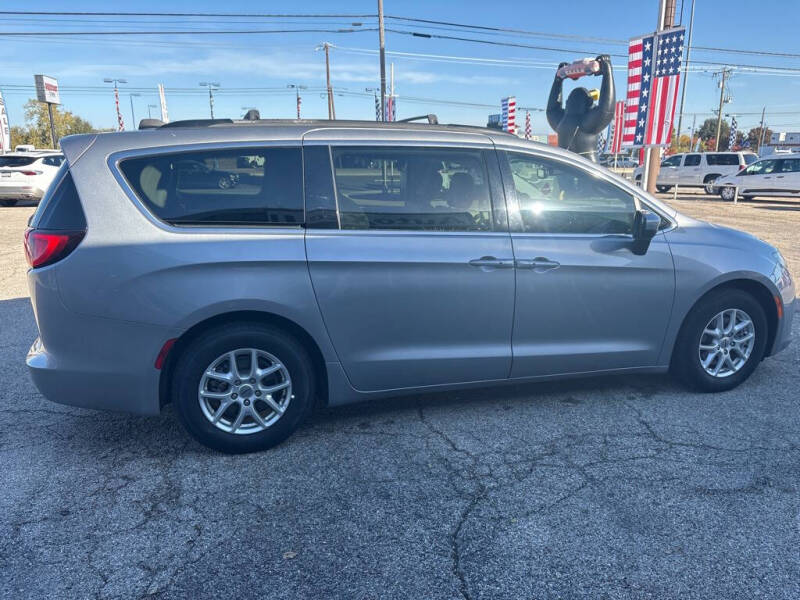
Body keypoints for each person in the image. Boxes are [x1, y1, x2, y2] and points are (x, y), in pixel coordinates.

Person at [546, 54, 615, 163]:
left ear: (568, 102)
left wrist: (558, 80)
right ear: (589, 102)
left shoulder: (561, 122)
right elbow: (607, 107)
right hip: (588, 168)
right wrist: (607, 70)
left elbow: (551, 109)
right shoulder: (587, 122)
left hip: (565, 166)